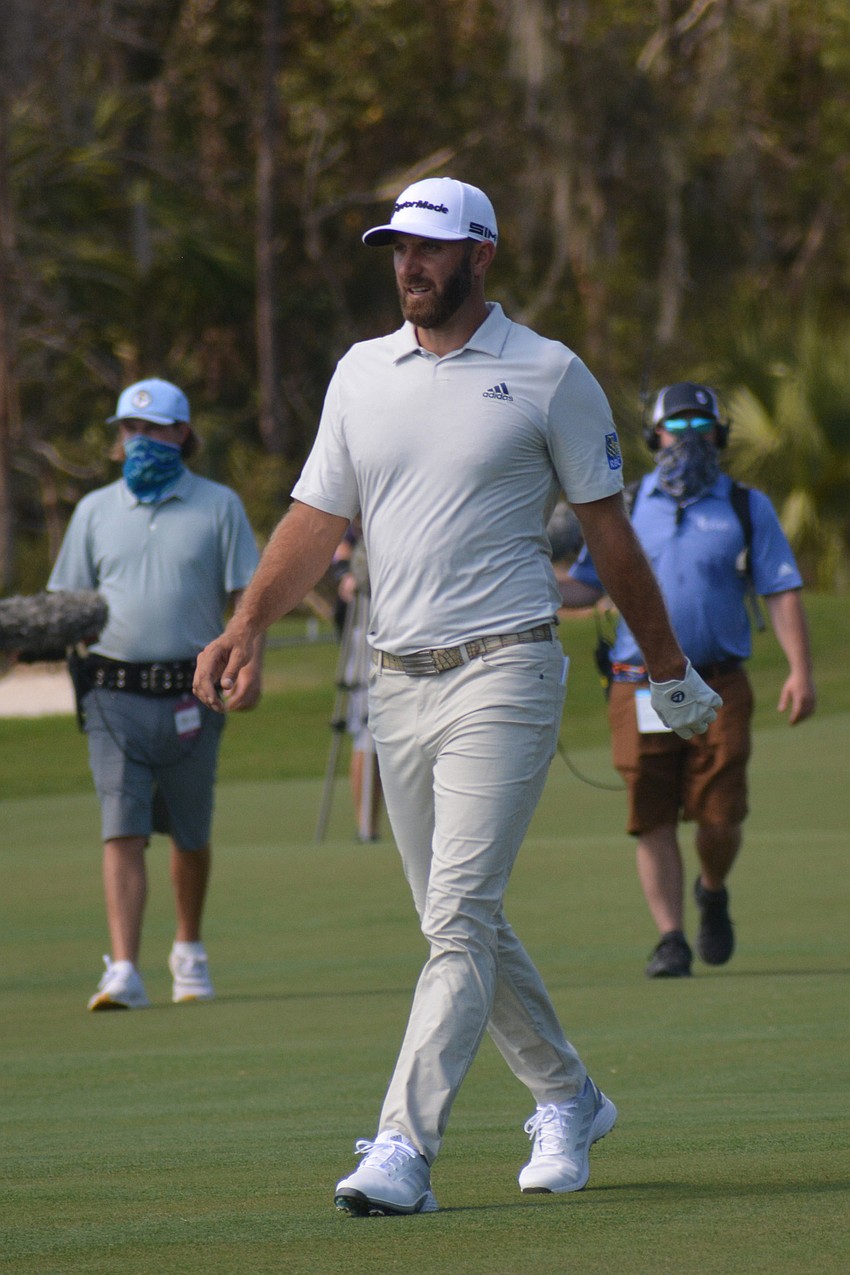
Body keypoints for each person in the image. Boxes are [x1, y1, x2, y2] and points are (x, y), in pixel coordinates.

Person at [193, 178, 720, 1215]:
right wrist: (246, 622)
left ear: (482, 254)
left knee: (457, 915)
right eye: (396, 247)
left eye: (429, 248)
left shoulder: (547, 374)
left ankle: (402, 1147)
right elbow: (313, 517)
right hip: (397, 682)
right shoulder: (359, 374)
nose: (408, 266)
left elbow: (608, 533)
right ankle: (568, 1095)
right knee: (457, 919)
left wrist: (666, 666)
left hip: (507, 669)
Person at [562, 381, 816, 978]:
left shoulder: (745, 506)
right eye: (678, 431)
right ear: (654, 439)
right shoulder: (620, 505)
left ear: (721, 439)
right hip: (637, 682)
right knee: (649, 812)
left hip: (720, 681)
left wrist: (801, 669)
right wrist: (527, 578)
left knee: (720, 815)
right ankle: (670, 938)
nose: (690, 442)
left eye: (703, 431)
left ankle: (712, 887)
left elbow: (780, 591)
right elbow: (584, 586)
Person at [48, 377, 263, 1011]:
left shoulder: (218, 505)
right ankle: (123, 969)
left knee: (190, 834)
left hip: (194, 694)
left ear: (183, 435)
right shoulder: (93, 511)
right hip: (111, 695)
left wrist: (253, 664)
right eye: (130, 430)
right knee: (123, 828)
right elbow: (68, 605)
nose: (141, 440)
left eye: (155, 429)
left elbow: (246, 597)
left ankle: (188, 949)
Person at [330, 529, 383, 841]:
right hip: (364, 632)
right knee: (366, 735)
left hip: (402, 627)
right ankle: (366, 825)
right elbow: (341, 558)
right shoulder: (353, 529)